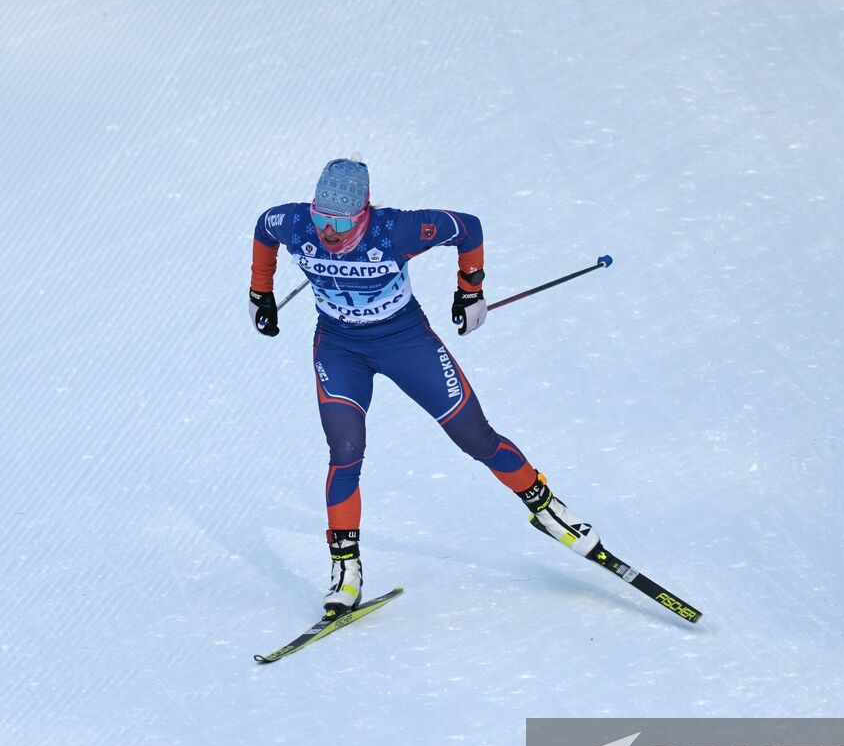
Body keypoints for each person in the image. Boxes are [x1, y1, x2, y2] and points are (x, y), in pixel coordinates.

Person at [249, 158, 598, 616]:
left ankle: (546, 507)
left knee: (475, 437)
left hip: (405, 342)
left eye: (339, 222)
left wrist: (469, 290)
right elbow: (263, 228)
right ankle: (345, 569)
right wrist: (261, 293)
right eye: (321, 218)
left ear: (364, 213)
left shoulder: (396, 230)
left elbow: (467, 228)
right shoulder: (294, 223)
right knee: (345, 451)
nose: (327, 232)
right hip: (340, 349)